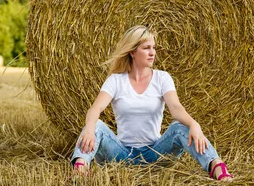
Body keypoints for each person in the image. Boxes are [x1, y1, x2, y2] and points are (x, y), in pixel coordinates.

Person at [71, 25, 233, 181]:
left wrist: (194, 124)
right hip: (120, 154)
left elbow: (176, 108)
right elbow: (96, 108)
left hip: (156, 154)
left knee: (180, 127)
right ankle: (80, 169)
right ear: (133, 52)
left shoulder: (162, 78)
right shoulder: (116, 80)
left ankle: (216, 165)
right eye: (146, 48)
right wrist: (90, 130)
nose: (152, 53)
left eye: (153, 48)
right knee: (95, 126)